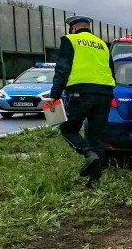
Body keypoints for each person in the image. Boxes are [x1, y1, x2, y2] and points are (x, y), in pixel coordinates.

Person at [49, 15, 116, 183]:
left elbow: (62, 68)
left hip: (80, 93)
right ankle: (95, 180)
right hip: (104, 94)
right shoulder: (102, 45)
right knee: (96, 137)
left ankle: (88, 153)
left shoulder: (70, 40)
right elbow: (111, 71)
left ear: (73, 28)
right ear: (88, 28)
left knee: (68, 129)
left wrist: (54, 95)